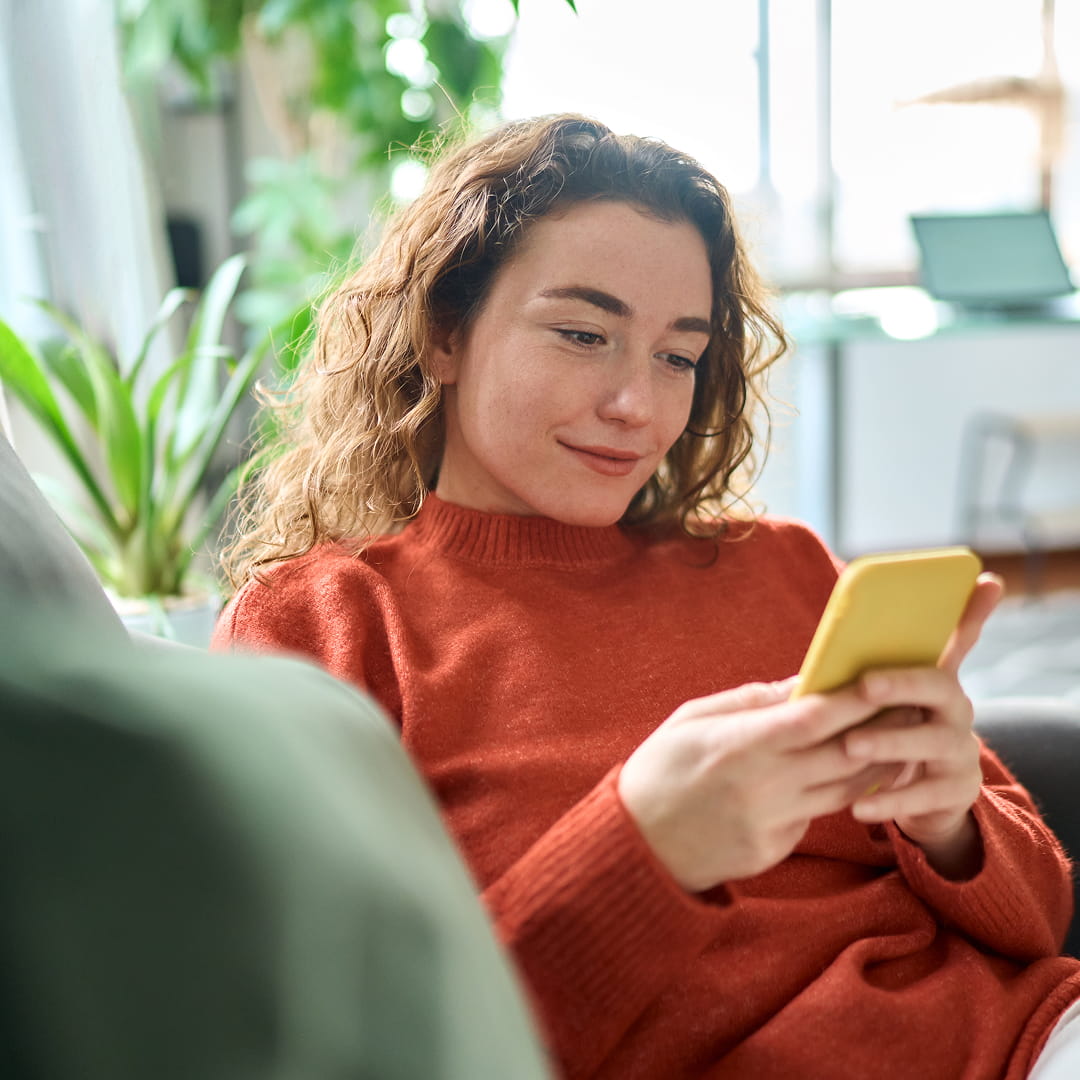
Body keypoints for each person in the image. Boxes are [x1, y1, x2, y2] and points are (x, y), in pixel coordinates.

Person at [212, 113, 1080, 1078]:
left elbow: (1041, 923)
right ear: (443, 333)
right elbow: (363, 1049)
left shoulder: (783, 565)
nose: (638, 406)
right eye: (585, 335)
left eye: (678, 355)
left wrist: (951, 821)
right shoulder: (325, 627)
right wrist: (644, 850)